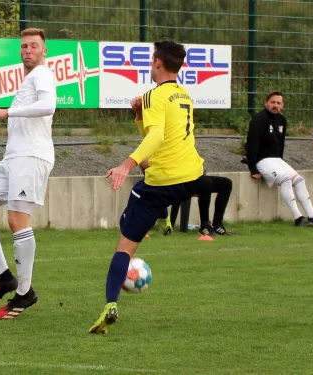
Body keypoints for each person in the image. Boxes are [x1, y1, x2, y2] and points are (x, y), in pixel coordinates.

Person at [89, 40, 211, 335]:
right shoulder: (184, 94)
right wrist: (139, 116)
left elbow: (155, 138)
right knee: (149, 185)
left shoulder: (153, 96)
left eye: (151, 58)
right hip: (192, 176)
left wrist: (124, 165)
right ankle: (163, 217)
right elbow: (161, 138)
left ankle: (109, 306)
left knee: (124, 246)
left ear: (157, 62)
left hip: (162, 183)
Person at [0, 28, 56, 320]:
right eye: (24, 46)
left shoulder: (42, 74)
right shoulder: (29, 79)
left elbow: (48, 105)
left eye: (34, 46)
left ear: (44, 51)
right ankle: (4, 276)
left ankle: (24, 293)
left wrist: (8, 112)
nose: (28, 50)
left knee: (17, 219)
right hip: (12, 158)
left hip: (31, 157)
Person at [244, 91, 313, 227]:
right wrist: (252, 167)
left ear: (282, 105)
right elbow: (251, 143)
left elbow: (281, 144)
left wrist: (281, 162)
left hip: (277, 160)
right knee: (285, 179)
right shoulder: (259, 119)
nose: (275, 105)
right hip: (263, 160)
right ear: (266, 103)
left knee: (299, 180)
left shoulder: (282, 120)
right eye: (272, 102)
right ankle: (298, 218)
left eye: (278, 103)